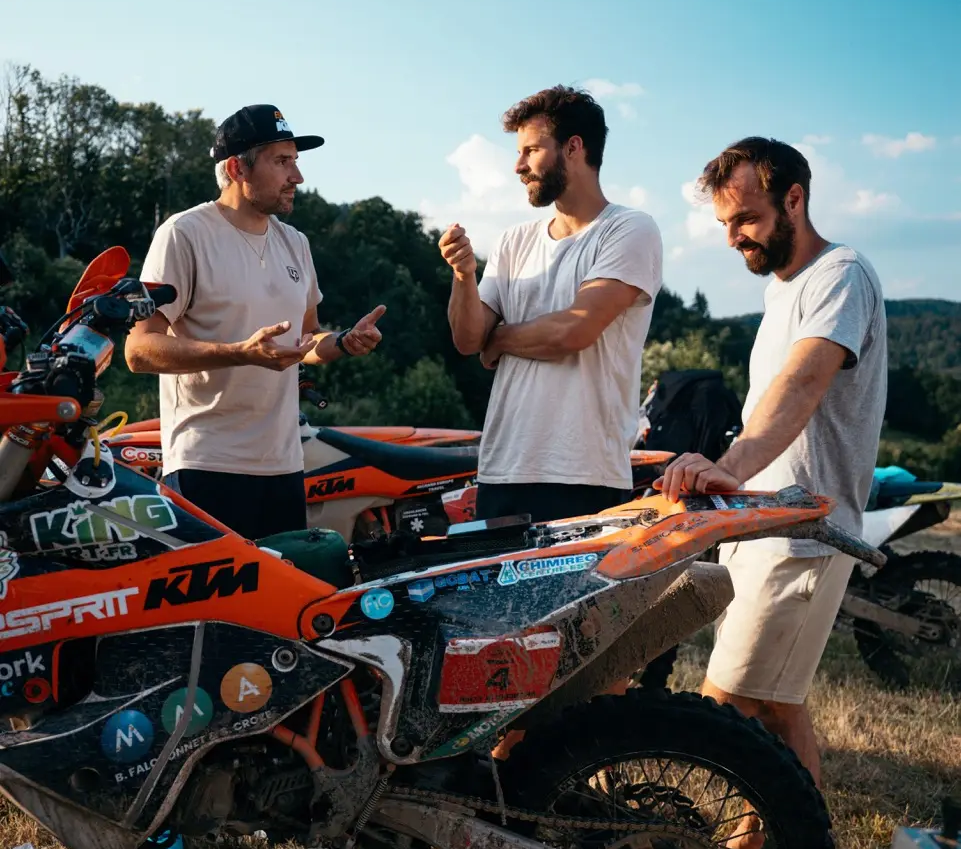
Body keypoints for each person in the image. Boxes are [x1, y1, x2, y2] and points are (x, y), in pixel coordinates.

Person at [658, 136, 887, 788]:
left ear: (794, 198)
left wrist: (730, 463)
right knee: (778, 711)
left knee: (722, 710)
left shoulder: (840, 274)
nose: (733, 237)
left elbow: (802, 384)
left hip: (803, 536)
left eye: (746, 218)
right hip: (763, 528)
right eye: (724, 223)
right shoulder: (783, 290)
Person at [127, 103, 386, 539]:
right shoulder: (184, 234)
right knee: (214, 610)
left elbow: (306, 340)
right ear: (237, 167)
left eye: (296, 162)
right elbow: (139, 349)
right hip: (205, 464)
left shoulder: (296, 243)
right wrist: (239, 353)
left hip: (284, 465)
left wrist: (341, 342)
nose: (297, 177)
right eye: (282, 162)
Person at [439, 85, 663, 526]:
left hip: (582, 475)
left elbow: (572, 332)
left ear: (574, 148)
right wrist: (463, 276)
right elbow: (468, 341)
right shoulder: (513, 240)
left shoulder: (630, 230)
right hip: (501, 469)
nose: (518, 166)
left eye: (532, 150)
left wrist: (499, 339)